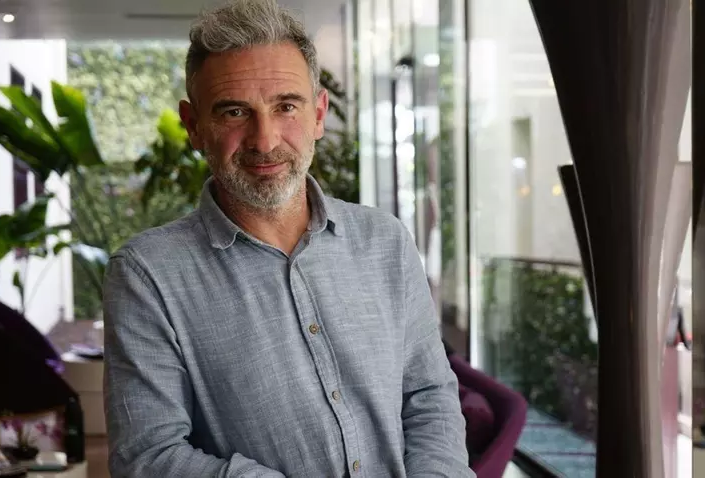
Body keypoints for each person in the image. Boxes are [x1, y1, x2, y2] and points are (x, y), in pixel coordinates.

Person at [101, 0, 473, 476]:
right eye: (235, 112)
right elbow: (146, 456)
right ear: (194, 126)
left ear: (318, 114)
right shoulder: (147, 275)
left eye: (286, 107)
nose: (265, 140)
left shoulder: (386, 242)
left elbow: (429, 396)